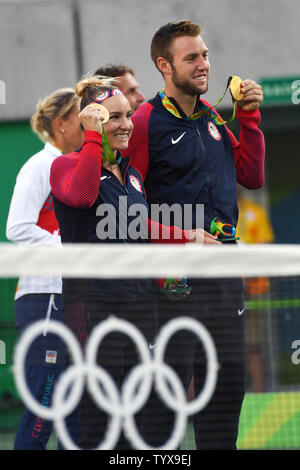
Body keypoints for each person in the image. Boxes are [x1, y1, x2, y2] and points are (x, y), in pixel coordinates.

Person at [49, 75, 219, 449]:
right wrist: (92, 136)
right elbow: (83, 194)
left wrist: (185, 236)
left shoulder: (133, 176)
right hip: (91, 305)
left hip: (139, 306)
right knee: (99, 418)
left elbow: (140, 225)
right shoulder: (67, 166)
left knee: (140, 416)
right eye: (113, 117)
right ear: (91, 120)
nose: (126, 124)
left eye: (127, 115)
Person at [124, 20, 265, 450]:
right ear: (164, 66)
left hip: (224, 275)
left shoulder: (212, 119)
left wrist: (249, 117)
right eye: (192, 58)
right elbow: (128, 210)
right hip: (172, 284)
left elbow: (252, 176)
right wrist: (180, 239)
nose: (204, 64)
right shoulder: (144, 122)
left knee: (225, 399)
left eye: (204, 55)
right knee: (162, 408)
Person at [6, 87, 83, 449]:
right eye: (80, 115)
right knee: (45, 400)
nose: (88, 122)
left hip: (72, 294)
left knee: (75, 404)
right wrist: (65, 247)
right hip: (43, 296)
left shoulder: (80, 166)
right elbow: (17, 226)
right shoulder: (39, 166)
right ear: (61, 123)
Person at [236, 186, 275, 393]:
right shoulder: (218, 215)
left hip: (256, 291)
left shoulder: (256, 212)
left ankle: (259, 395)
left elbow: (263, 249)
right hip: (228, 291)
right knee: (226, 347)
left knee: (254, 346)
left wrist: (248, 281)